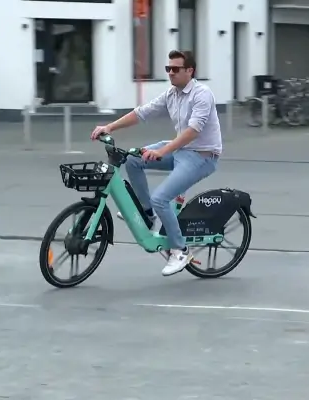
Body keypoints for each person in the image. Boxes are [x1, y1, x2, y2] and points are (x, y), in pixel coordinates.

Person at [90, 50, 222, 276]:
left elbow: (192, 132)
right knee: (133, 159)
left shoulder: (202, 94)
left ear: (190, 71)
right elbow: (142, 113)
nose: (170, 72)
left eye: (175, 69)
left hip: (202, 156)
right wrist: (109, 127)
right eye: (167, 69)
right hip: (180, 149)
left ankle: (180, 250)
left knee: (161, 198)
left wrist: (162, 151)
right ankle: (148, 214)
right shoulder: (172, 94)